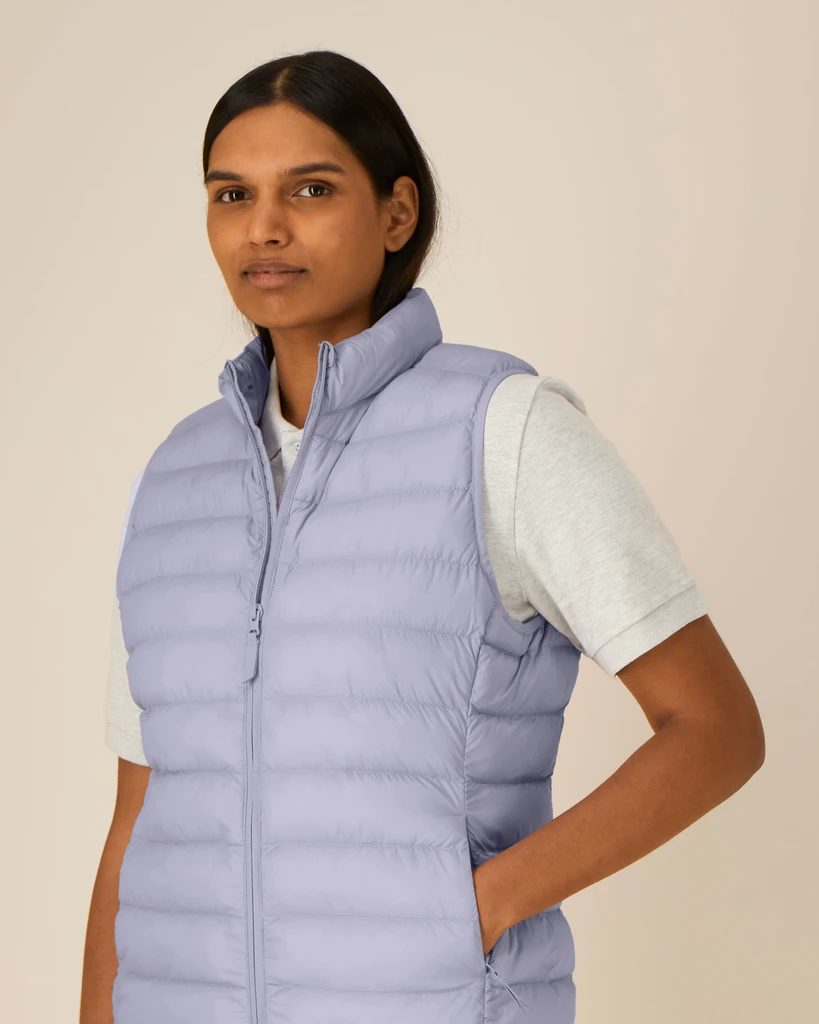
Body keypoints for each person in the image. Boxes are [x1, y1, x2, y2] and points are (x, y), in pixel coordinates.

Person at [80, 49, 765, 1024]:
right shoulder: (175, 480)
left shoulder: (502, 430)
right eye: (232, 195)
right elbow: (138, 823)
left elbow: (715, 727)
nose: (264, 227)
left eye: (311, 189)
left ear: (397, 212)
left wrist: (474, 908)